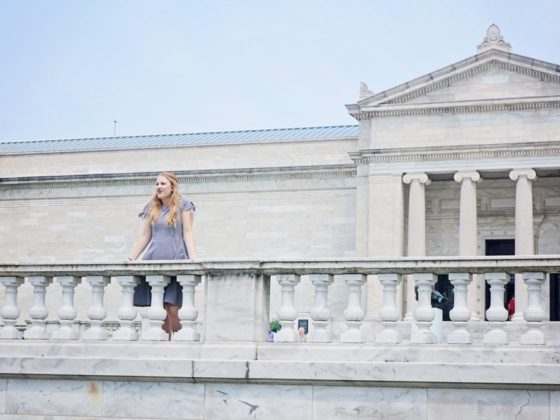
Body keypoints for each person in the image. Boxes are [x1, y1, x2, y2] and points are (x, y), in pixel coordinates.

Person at [128, 172, 197, 340]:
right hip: (154, 261)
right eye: (157, 184)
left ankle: (181, 340)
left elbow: (187, 232)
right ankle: (166, 343)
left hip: (176, 260)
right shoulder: (152, 207)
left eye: (163, 184)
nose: (158, 187)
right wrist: (131, 258)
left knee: (173, 307)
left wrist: (194, 259)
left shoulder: (184, 206)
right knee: (160, 307)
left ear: (172, 186)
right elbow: (146, 236)